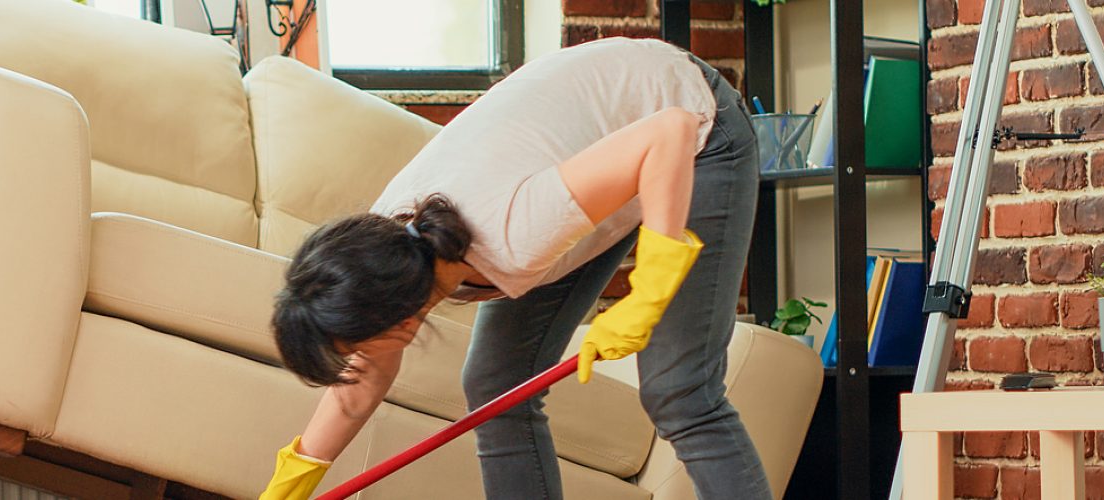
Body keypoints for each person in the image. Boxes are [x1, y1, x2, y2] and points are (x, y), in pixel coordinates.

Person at [260, 37, 768, 499]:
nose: (356, 367)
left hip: (694, 123)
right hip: (596, 145)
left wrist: (651, 290)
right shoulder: (385, 247)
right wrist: (292, 484)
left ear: (401, 320)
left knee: (680, 391)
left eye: (355, 351)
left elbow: (669, 131)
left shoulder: (511, 232)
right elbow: (356, 390)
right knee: (496, 386)